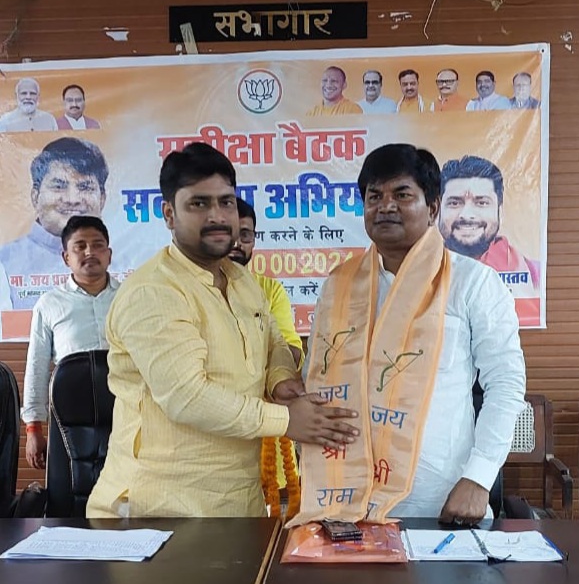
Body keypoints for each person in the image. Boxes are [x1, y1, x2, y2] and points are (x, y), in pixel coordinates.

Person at [86, 142, 359, 519]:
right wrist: (287, 419)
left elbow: (273, 342)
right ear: (169, 214)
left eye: (226, 202)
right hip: (160, 508)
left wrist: (281, 379)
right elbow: (187, 397)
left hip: (237, 501)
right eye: (199, 204)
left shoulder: (242, 280)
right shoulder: (155, 291)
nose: (217, 216)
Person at [288, 144, 525, 527]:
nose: (385, 206)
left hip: (441, 502)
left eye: (401, 194)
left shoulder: (472, 282)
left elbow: (506, 384)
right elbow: (318, 378)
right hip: (347, 504)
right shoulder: (339, 285)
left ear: (432, 208)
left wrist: (479, 478)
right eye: (374, 197)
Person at [22, 215, 118, 470]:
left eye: (98, 245)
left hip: (127, 416)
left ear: (109, 254)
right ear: (66, 257)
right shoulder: (49, 305)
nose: (90, 252)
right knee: (71, 488)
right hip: (69, 421)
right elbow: (37, 368)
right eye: (80, 246)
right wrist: (33, 428)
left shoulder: (130, 298)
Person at [0, 137, 109, 310]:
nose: (72, 199)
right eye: (59, 186)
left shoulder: (126, 261)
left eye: (85, 187)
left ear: (102, 198)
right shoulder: (5, 262)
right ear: (35, 197)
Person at [439, 154, 540, 292]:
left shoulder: (536, 278)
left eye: (481, 203)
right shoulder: (418, 272)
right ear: (437, 210)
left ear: (500, 211)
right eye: (454, 203)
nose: (466, 215)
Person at [229, 197, 303, 369]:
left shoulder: (270, 290)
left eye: (244, 235)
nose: (236, 243)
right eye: (229, 234)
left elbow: (293, 353)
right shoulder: (194, 287)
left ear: (254, 240)